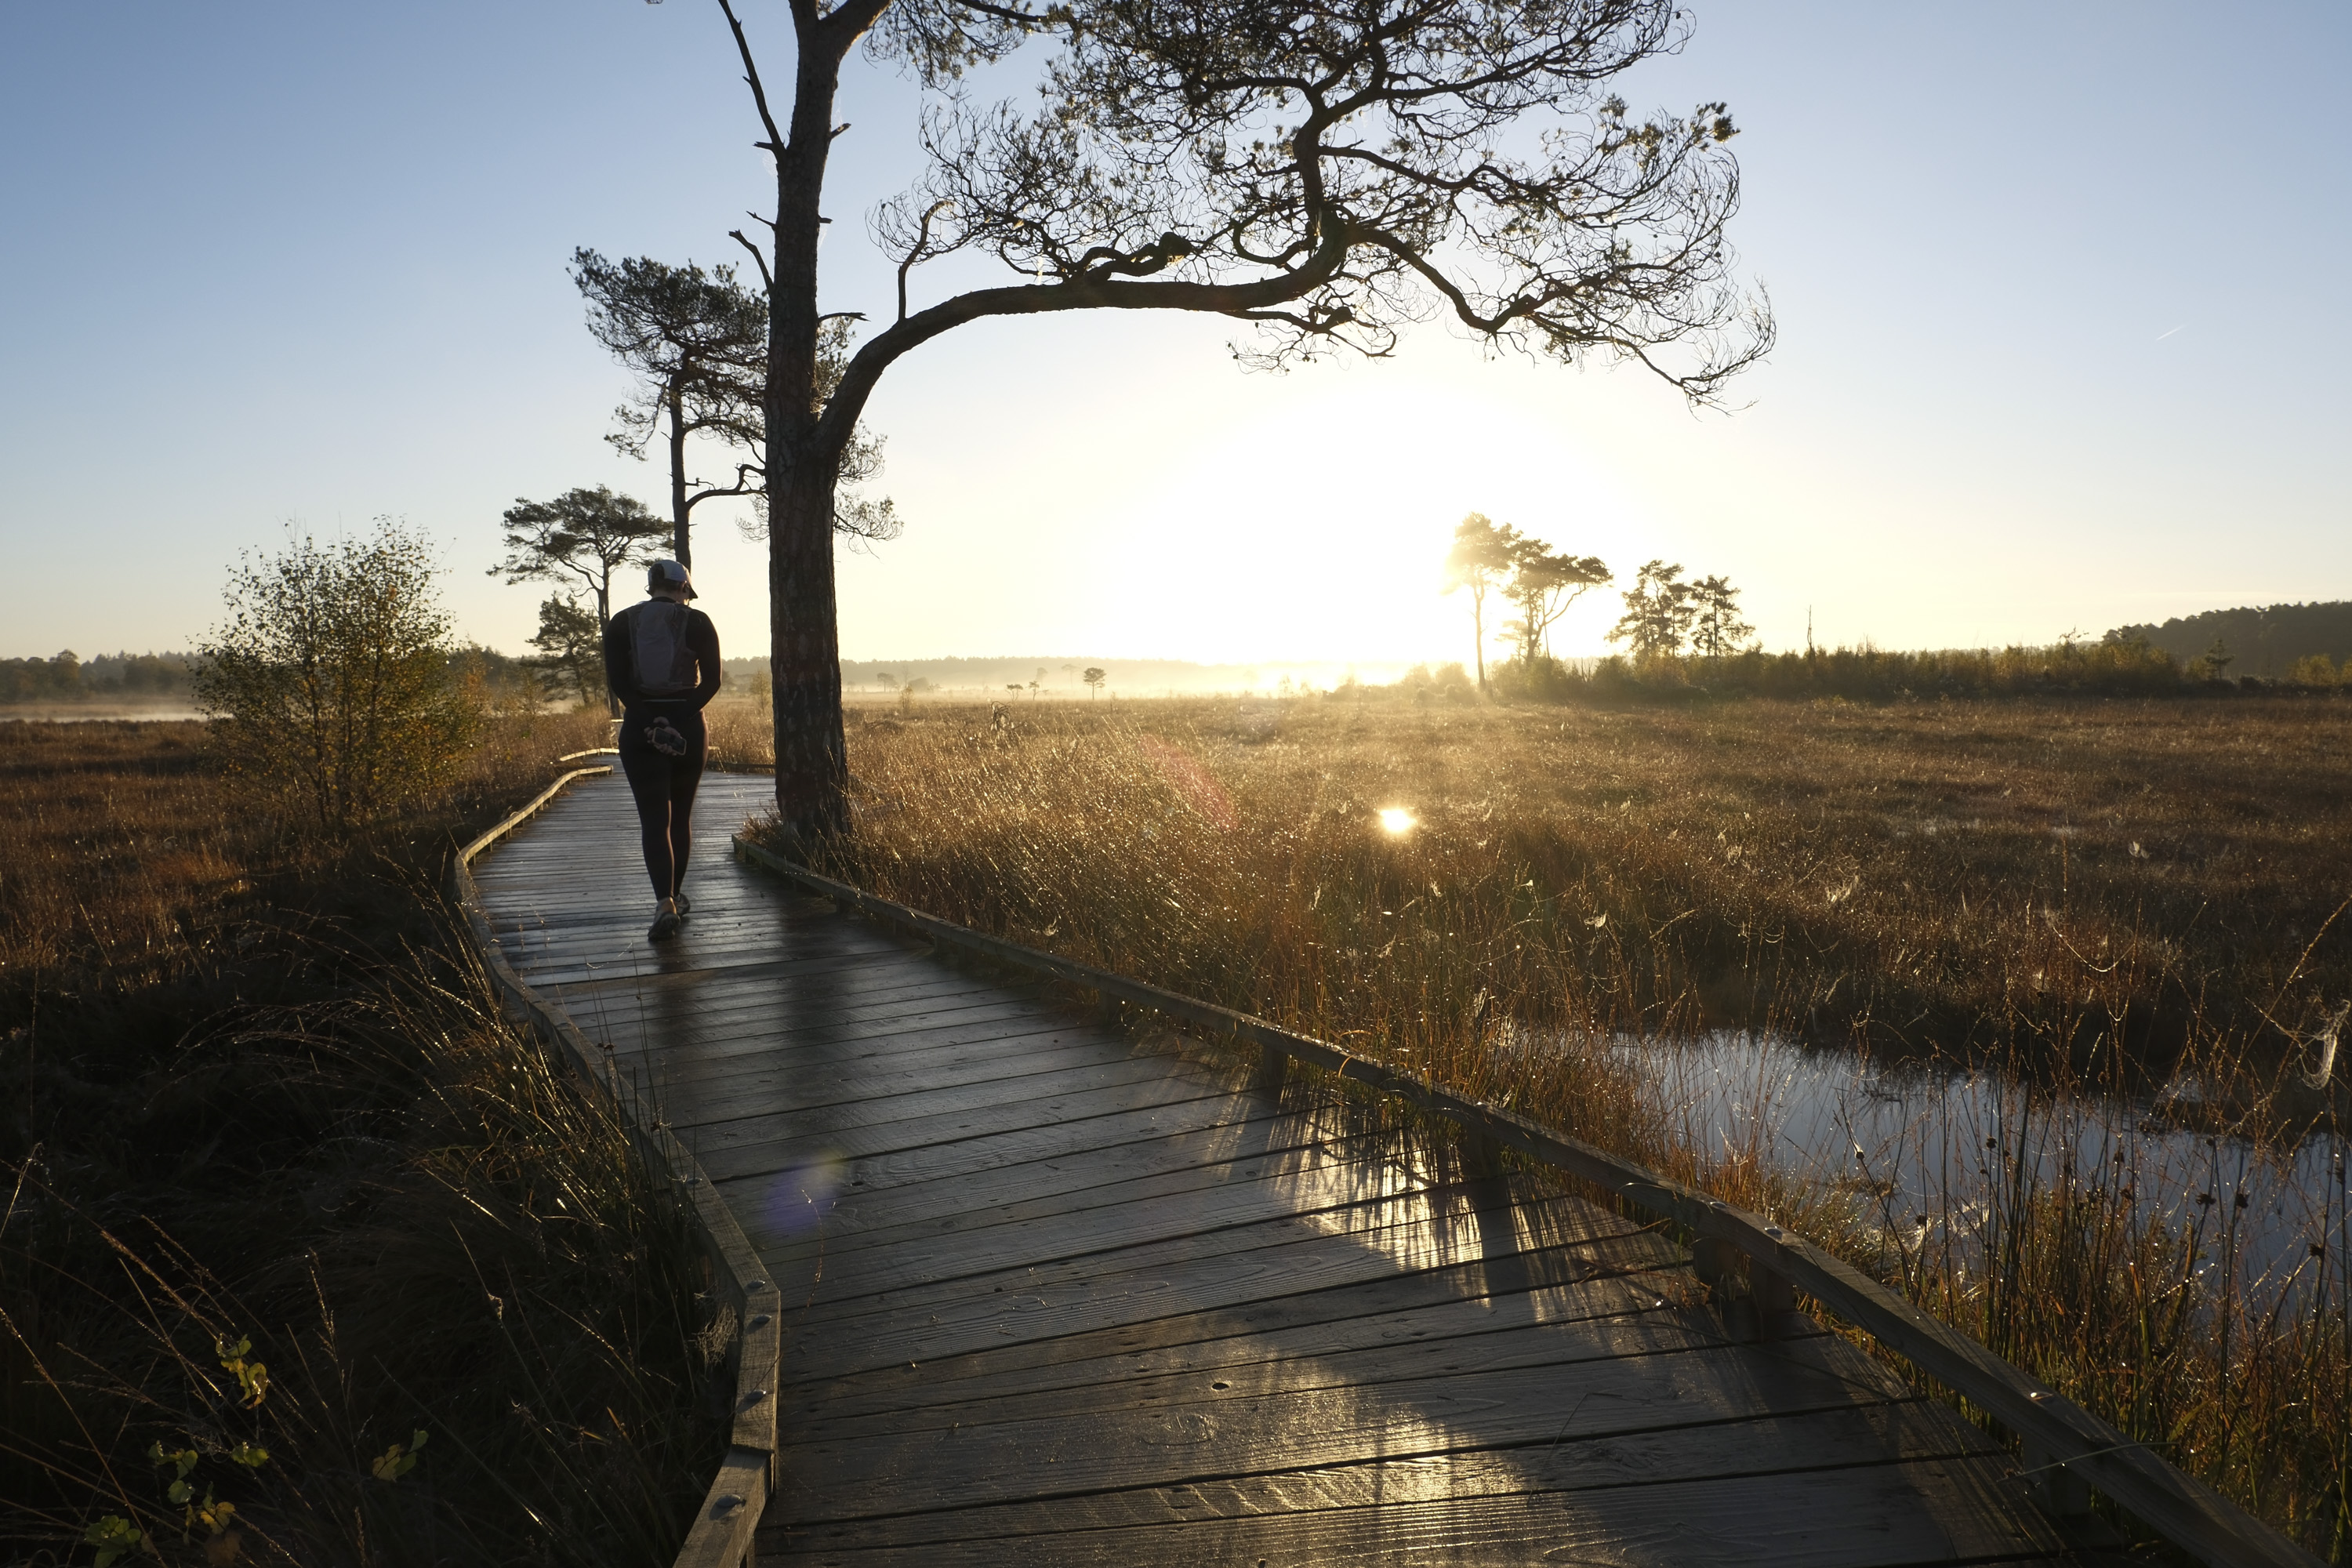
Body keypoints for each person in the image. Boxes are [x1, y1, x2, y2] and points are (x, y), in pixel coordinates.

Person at [604, 558, 720, 941]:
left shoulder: (621, 622)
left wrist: (650, 720)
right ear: (683, 589)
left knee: (654, 820)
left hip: (640, 730)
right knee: (680, 818)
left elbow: (618, 681)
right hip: (687, 728)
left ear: (651, 586)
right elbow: (712, 683)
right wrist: (678, 717)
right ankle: (676, 897)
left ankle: (664, 902)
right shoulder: (699, 622)